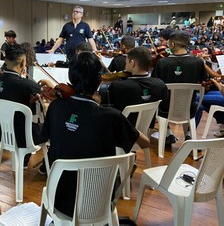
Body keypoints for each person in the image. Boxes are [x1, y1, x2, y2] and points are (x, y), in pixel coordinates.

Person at [41, 51, 149, 217]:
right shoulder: (112, 116)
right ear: (100, 80)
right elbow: (145, 143)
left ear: (70, 77)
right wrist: (128, 126)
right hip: (99, 203)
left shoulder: (55, 107)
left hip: (59, 199)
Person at [0, 44, 51, 167]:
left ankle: (23, 162)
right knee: (52, 127)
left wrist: (28, 100)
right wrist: (48, 83)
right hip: (23, 136)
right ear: (22, 62)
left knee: (27, 124)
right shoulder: (25, 84)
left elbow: (11, 98)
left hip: (3, 133)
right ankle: (46, 168)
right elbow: (52, 95)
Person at [154, 30, 207, 143]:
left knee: (155, 101)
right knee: (199, 107)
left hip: (165, 109)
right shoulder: (198, 62)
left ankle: (168, 134)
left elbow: (155, 85)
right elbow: (203, 81)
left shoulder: (162, 63)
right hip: (189, 109)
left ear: (172, 44)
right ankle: (189, 134)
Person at [102, 46, 168, 126]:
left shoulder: (117, 86)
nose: (125, 66)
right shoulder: (160, 84)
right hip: (146, 127)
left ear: (132, 63)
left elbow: (106, 112)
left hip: (123, 131)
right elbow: (164, 108)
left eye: (126, 63)